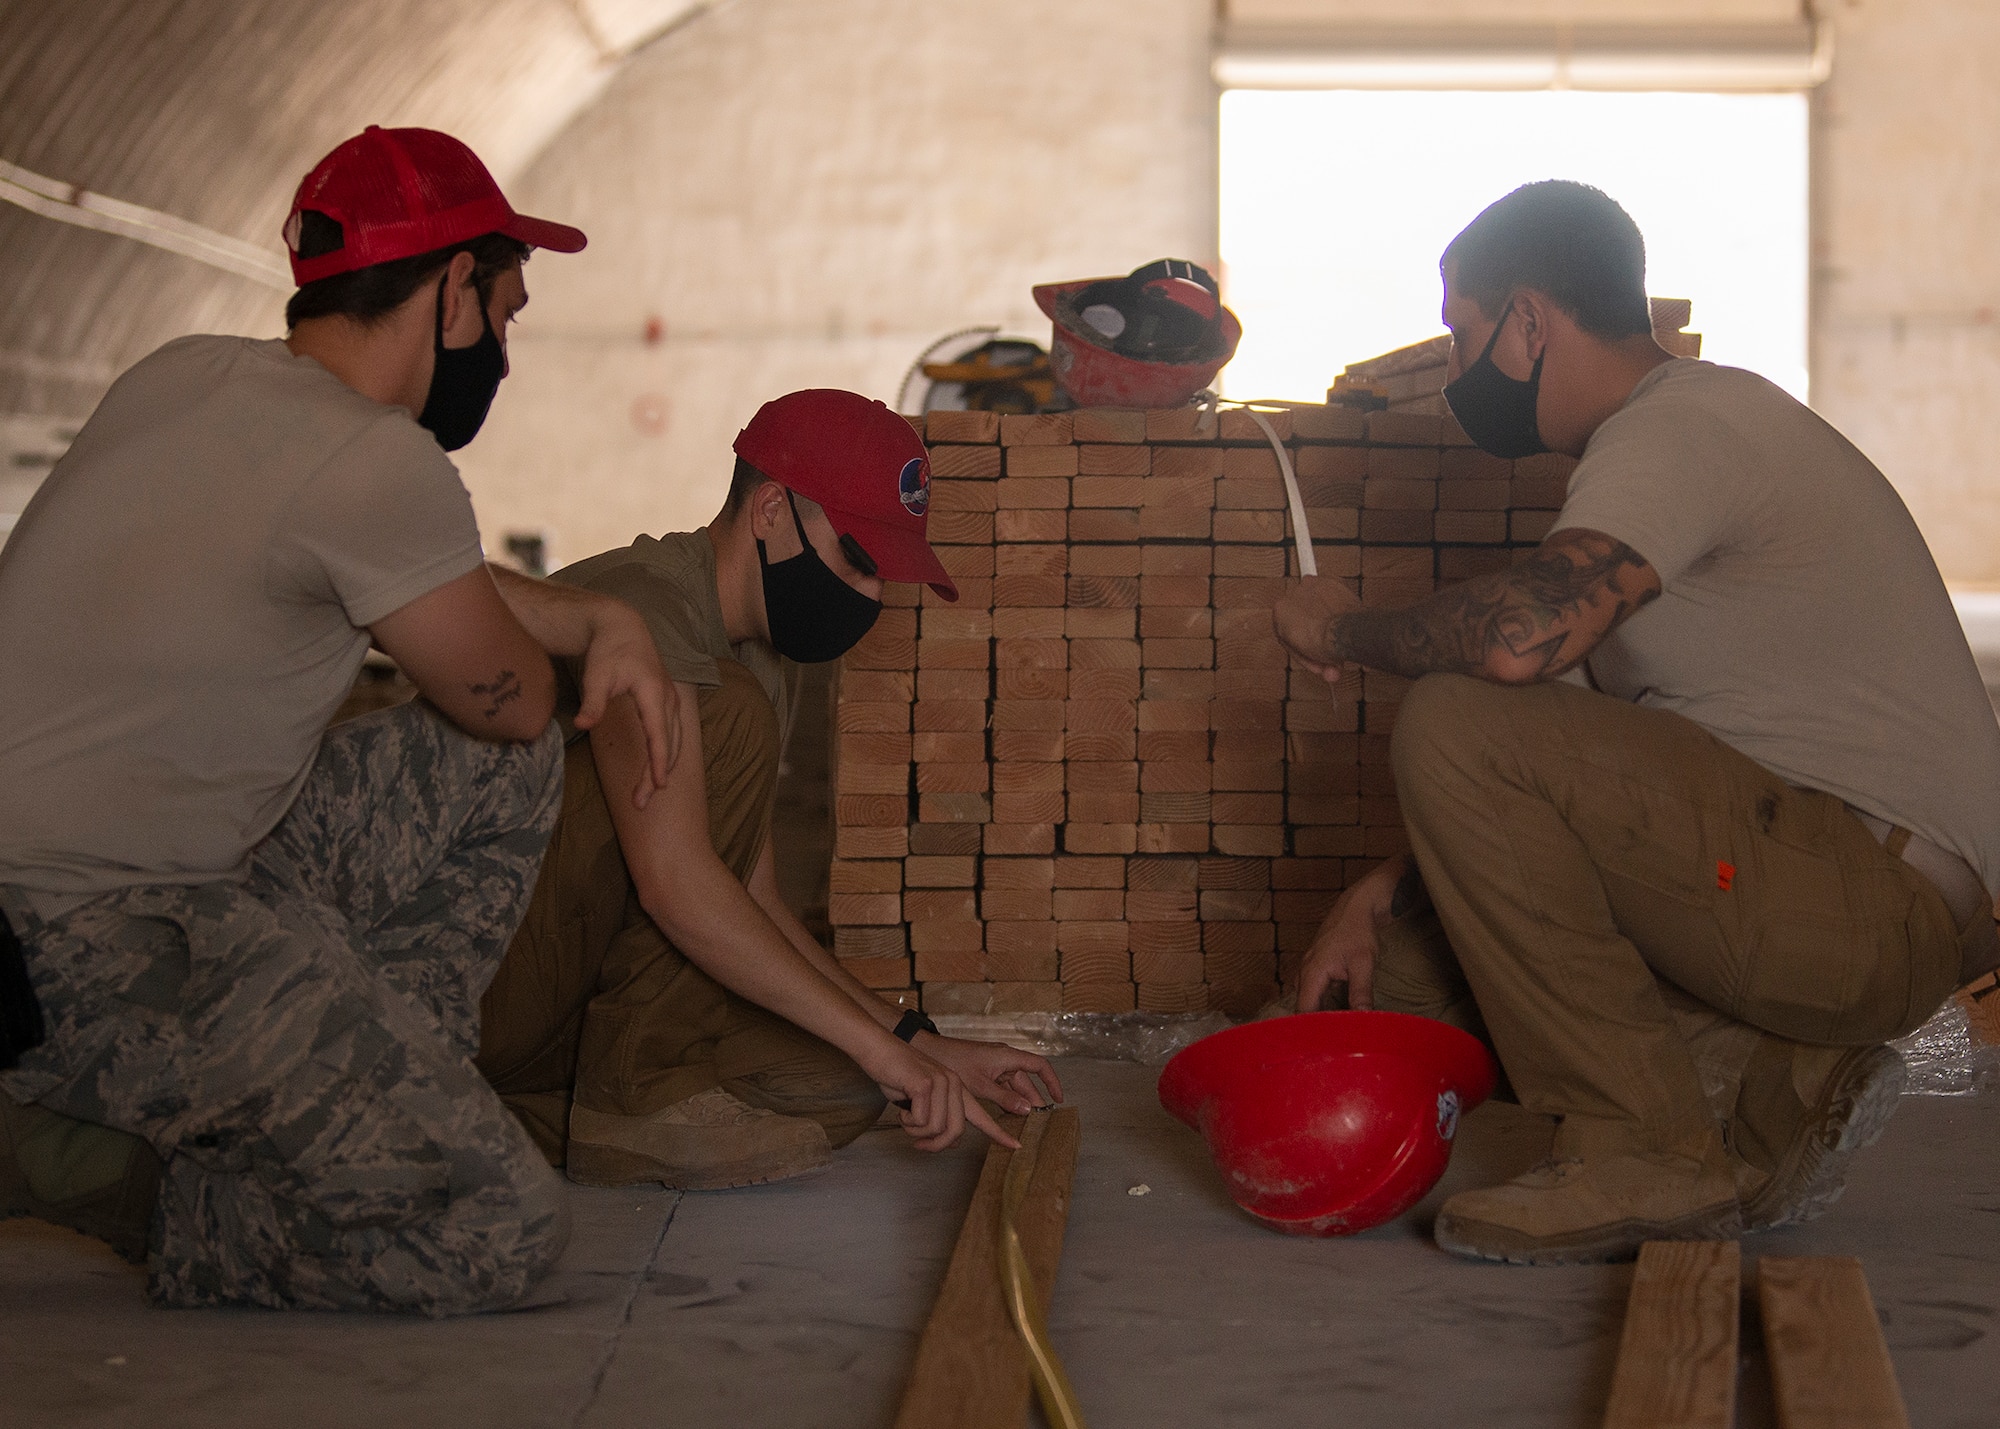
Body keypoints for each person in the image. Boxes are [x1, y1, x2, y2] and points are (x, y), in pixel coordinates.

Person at [0, 125, 680, 1314]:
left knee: (482, 777)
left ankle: (390, 1094)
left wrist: (595, 616)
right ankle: (116, 1173)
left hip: (135, 876)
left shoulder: (182, 373)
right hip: (91, 943)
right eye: (506, 314)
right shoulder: (376, 464)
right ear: (452, 289)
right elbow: (511, 699)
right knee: (497, 1229)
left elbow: (420, 581)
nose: (502, 353)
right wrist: (586, 646)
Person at [1272, 180, 2000, 1265]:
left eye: (1461, 334)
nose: (1460, 367)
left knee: (1451, 715)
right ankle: (1764, 1081)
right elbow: (1547, 784)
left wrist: (1340, 632)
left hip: (1872, 899)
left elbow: (1513, 647)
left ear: (1527, 321)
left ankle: (1641, 1150)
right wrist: (1370, 897)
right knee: (1413, 972)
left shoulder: (1686, 422)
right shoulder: (1641, 479)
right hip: (1813, 886)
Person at [478, 389, 1061, 1188]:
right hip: (467, 982)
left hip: (553, 1000)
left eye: (884, 574)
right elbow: (678, 887)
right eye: (858, 559)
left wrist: (918, 1044)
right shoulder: (646, 609)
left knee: (851, 1088)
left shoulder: (758, 654)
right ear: (773, 510)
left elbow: (754, 900)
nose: (871, 598)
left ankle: (503, 1113)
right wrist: (883, 1047)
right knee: (730, 718)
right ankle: (630, 1103)